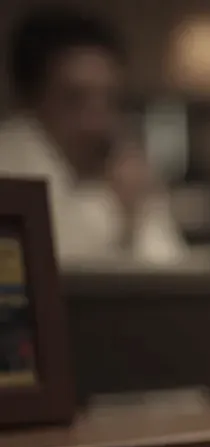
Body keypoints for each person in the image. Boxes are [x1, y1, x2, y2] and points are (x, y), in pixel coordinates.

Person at [0, 7, 185, 265]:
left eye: (111, 100)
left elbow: (171, 267)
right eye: (74, 99)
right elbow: (46, 259)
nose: (98, 122)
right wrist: (115, 208)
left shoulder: (121, 166)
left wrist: (139, 207)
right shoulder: (9, 157)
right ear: (30, 101)